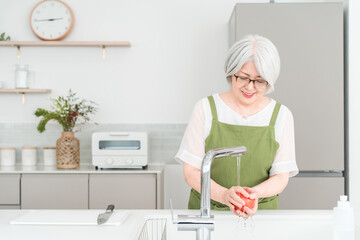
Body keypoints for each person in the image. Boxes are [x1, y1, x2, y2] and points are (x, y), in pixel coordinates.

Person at [175, 34, 299, 218]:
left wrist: (254, 194)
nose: (250, 87)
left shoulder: (281, 115)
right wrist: (224, 195)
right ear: (230, 72)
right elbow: (191, 171)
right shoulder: (206, 108)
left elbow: (281, 177)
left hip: (261, 217)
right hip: (209, 215)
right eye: (243, 77)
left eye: (260, 80)